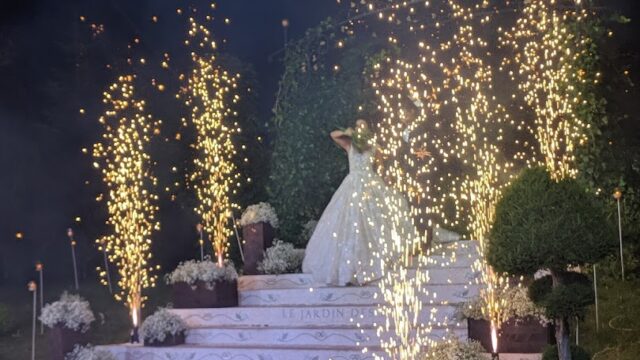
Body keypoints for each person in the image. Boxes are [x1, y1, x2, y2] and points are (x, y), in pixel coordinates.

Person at [302, 119, 418, 286]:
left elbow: (381, 167)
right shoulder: (350, 145)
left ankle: (372, 263)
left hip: (370, 183)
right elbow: (333, 135)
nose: (360, 127)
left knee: (372, 222)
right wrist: (349, 133)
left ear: (368, 129)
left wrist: (388, 182)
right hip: (352, 183)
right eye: (357, 125)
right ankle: (348, 268)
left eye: (362, 125)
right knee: (349, 220)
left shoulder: (374, 147)